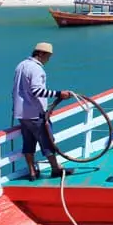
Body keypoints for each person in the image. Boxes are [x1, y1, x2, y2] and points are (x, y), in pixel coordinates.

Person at [13, 42, 75, 181]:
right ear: (41, 54)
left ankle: (32, 172)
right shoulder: (36, 69)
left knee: (28, 143)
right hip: (35, 113)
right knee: (47, 141)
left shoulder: (21, 65)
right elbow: (37, 91)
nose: (48, 60)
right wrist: (59, 93)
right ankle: (55, 169)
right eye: (48, 56)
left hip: (22, 113)